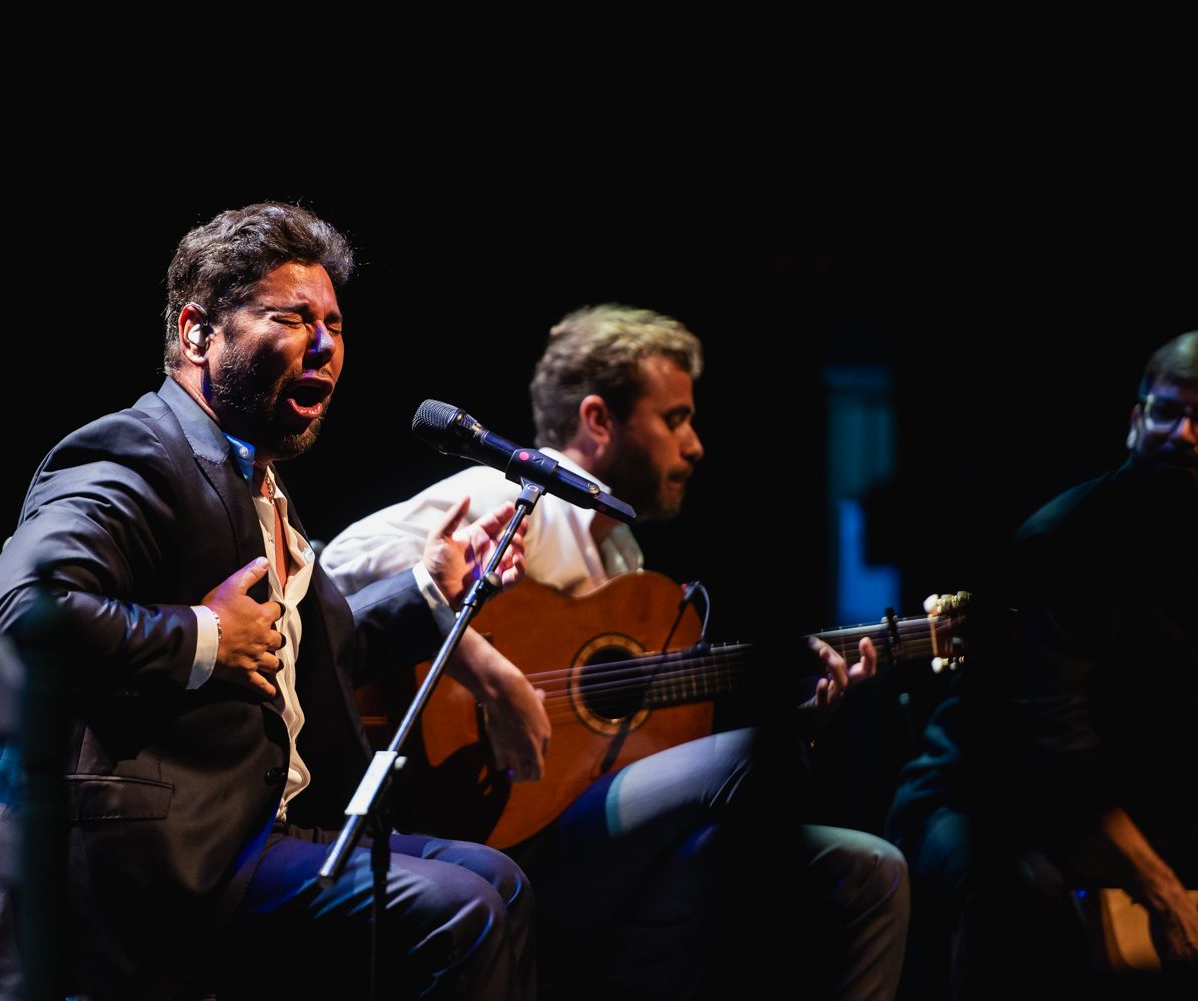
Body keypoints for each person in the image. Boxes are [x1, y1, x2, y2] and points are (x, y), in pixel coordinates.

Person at [0, 202, 538, 1001]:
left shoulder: (258, 485)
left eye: (335, 325)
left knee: (499, 880)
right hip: (152, 860)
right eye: (293, 317)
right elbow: (16, 616)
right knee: (460, 910)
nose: (326, 346)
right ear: (200, 331)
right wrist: (204, 636)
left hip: (246, 836)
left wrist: (427, 590)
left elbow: (299, 647)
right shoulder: (137, 452)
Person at [323, 305, 910, 999]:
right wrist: (492, 675)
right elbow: (343, 563)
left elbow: (636, 751)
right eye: (675, 419)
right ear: (598, 420)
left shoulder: (625, 565)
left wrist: (802, 709)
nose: (695, 446)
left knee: (870, 866)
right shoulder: (511, 493)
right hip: (498, 830)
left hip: (589, 839)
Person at [887, 330, 1198, 997]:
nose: (1184, 433)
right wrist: (1168, 895)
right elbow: (1059, 763)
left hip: (1123, 803)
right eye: (1168, 411)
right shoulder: (1061, 543)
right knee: (1021, 892)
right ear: (1135, 420)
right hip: (982, 803)